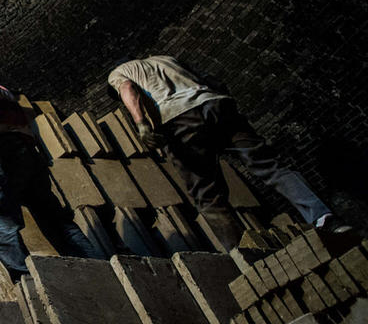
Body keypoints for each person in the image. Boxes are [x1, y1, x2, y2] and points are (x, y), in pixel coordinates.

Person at [108, 55, 348, 232]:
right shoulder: (167, 59)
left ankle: (247, 256)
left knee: (207, 194)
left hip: (180, 118)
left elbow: (128, 89)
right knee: (269, 167)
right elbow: (213, 81)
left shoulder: (118, 74)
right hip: (216, 103)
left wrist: (141, 123)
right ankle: (325, 218)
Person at [0, 60, 103, 280]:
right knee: (54, 219)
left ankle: (28, 281)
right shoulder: (3, 91)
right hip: (27, 154)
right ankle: (97, 269)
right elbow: (5, 127)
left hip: (3, 152)